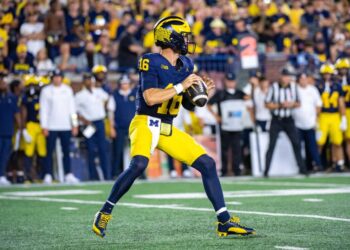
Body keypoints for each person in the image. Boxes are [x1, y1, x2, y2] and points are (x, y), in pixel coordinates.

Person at [92, 16, 255, 238]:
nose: (188, 41)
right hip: (145, 122)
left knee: (207, 163)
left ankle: (224, 221)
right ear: (170, 38)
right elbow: (150, 98)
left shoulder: (187, 64)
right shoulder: (150, 61)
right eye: (184, 36)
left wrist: (201, 94)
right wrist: (181, 85)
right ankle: (105, 211)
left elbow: (188, 104)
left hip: (167, 127)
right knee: (139, 164)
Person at [264, 68, 307, 177]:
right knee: (271, 145)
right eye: (285, 76)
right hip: (276, 119)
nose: (287, 78)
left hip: (288, 119)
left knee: (296, 143)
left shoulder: (293, 87)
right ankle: (266, 170)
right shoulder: (274, 87)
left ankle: (302, 168)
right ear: (281, 77)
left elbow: (298, 103)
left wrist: (291, 104)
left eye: (288, 76)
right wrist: (280, 105)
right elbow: (267, 104)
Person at [208, 72, 252, 176]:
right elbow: (209, 104)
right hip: (225, 126)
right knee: (224, 150)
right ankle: (224, 170)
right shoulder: (220, 94)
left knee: (237, 149)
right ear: (226, 82)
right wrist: (216, 116)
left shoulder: (240, 93)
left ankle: (237, 170)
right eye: (229, 81)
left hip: (237, 126)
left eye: (232, 81)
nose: (231, 83)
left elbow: (249, 100)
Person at [39, 69, 79, 184]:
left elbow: (72, 109)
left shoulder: (67, 90)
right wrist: (44, 126)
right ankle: (48, 174)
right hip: (51, 125)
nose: (57, 79)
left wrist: (74, 124)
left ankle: (68, 174)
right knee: (49, 151)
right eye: (55, 77)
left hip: (65, 125)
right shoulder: (46, 91)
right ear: (52, 78)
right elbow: (44, 110)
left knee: (66, 151)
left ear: (62, 78)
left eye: (59, 77)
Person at [75, 73, 111, 180]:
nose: (89, 82)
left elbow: (107, 99)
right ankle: (93, 177)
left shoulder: (99, 91)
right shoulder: (79, 95)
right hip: (88, 124)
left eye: (90, 79)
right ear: (83, 81)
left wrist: (103, 109)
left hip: (100, 122)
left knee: (103, 149)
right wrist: (84, 121)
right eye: (87, 80)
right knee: (90, 150)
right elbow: (75, 112)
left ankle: (107, 176)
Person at [316, 63, 347, 171]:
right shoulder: (318, 85)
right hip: (323, 115)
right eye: (325, 74)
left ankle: (339, 163)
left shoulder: (337, 86)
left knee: (337, 141)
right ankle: (316, 163)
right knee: (319, 142)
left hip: (334, 115)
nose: (327, 76)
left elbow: (341, 102)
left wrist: (343, 118)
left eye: (329, 74)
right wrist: (316, 118)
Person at [109, 74, 137, 178]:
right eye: (123, 83)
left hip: (134, 126)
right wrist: (111, 127)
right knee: (117, 150)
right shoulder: (115, 95)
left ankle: (140, 173)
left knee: (137, 150)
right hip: (119, 126)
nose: (124, 85)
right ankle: (115, 173)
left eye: (126, 83)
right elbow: (111, 112)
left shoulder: (135, 94)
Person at [293, 73, 322, 171]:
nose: (303, 81)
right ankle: (302, 166)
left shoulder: (312, 90)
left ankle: (317, 165)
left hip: (310, 123)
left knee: (312, 146)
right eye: (301, 79)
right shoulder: (294, 89)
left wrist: (316, 119)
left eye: (305, 79)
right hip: (298, 123)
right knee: (299, 147)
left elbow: (318, 105)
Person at [21, 75, 47, 182]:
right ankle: (27, 176)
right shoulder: (26, 98)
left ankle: (41, 176)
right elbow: (23, 113)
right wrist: (23, 129)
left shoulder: (44, 97)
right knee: (28, 152)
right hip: (31, 125)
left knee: (42, 152)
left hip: (41, 125)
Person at [0, 74, 21, 185]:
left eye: (4, 81)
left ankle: (2, 175)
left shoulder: (11, 97)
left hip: (8, 131)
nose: (3, 83)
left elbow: (17, 113)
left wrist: (20, 130)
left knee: (4, 156)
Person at [335, 58, 350, 167]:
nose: (343, 70)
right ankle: (338, 163)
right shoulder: (334, 82)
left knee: (348, 139)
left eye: (345, 68)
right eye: (341, 68)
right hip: (336, 113)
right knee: (336, 140)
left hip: (348, 110)